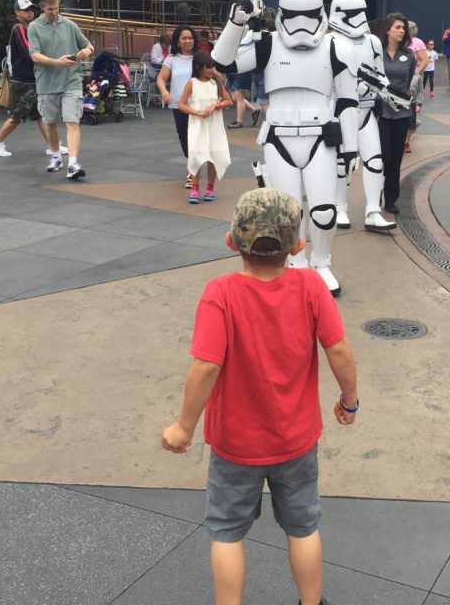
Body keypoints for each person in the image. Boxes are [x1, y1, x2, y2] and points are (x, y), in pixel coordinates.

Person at [161, 187, 359, 605]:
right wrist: (349, 399)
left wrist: (184, 427)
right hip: (296, 441)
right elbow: (338, 348)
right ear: (298, 245)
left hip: (236, 446)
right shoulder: (310, 287)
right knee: (303, 528)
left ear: (231, 241)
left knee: (227, 532)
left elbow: (207, 365)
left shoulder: (221, 293)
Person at [211, 0, 360, 296]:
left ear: (320, 12)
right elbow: (222, 62)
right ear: (283, 14)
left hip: (321, 136)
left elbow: (348, 100)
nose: (302, 25)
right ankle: (297, 264)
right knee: (287, 212)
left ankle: (322, 262)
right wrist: (236, 22)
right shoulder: (267, 44)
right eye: (294, 15)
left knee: (324, 209)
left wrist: (351, 147)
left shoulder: (337, 47)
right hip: (279, 137)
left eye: (308, 15)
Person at [327, 0, 396, 233]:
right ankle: (339, 207)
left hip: (367, 109)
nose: (360, 18)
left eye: (362, 12)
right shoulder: (331, 42)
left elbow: (381, 75)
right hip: (340, 110)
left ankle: (373, 211)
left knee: (375, 161)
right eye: (354, 13)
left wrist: (377, 86)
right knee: (342, 163)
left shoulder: (373, 42)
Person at [0, 0, 67, 158]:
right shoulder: (19, 28)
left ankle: (52, 146)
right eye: (26, 10)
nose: (30, 13)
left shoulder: (28, 28)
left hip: (28, 79)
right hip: (24, 80)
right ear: (17, 12)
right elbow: (30, 52)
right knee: (19, 114)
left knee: (40, 114)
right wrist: (50, 61)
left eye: (31, 10)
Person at [27, 0, 94, 180]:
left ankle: (72, 163)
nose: (54, 12)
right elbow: (34, 55)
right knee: (50, 123)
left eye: (56, 8)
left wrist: (86, 52)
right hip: (47, 83)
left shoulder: (69, 24)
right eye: (50, 9)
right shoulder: (34, 27)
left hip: (71, 81)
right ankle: (56, 155)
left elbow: (88, 45)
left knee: (72, 121)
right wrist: (57, 62)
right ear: (42, 8)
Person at [178, 51, 233, 203]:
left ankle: (210, 188)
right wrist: (197, 112)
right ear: (198, 67)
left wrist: (215, 106)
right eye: (208, 67)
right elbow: (181, 104)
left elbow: (228, 100)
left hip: (214, 124)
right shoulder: (192, 83)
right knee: (196, 153)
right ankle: (195, 188)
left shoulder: (215, 82)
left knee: (213, 155)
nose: (211, 70)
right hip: (198, 123)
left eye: (212, 67)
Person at [378, 13, 415, 213]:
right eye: (398, 27)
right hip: (380, 113)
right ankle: (374, 195)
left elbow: (407, 82)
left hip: (401, 114)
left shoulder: (409, 55)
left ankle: (391, 199)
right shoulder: (376, 53)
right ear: (387, 30)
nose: (402, 31)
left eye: (404, 28)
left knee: (396, 159)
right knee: (383, 156)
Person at [156, 26, 198, 187]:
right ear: (178, 42)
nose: (188, 41)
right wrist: (164, 91)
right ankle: (192, 164)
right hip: (178, 105)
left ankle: (192, 172)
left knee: (195, 136)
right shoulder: (172, 59)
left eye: (190, 38)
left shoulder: (199, 58)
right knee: (184, 136)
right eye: (184, 38)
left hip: (197, 105)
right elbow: (161, 78)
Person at [404, 21, 428, 153]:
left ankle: (411, 127)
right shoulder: (401, 41)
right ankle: (411, 125)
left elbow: (424, 60)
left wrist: (416, 73)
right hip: (402, 75)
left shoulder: (417, 42)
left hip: (413, 76)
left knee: (412, 101)